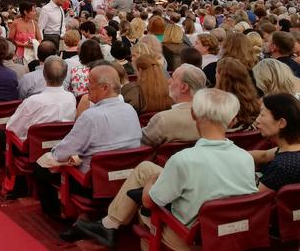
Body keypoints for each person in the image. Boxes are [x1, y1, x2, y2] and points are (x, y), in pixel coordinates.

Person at [74, 89, 257, 249]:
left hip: (189, 237)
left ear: (193, 114)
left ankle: (114, 227)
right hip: (229, 232)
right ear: (232, 121)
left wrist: (152, 183)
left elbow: (148, 201)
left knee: (144, 208)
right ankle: (109, 224)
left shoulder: (183, 160)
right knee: (145, 168)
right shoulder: (246, 158)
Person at [34, 65, 141, 215]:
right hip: (125, 179)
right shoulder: (130, 110)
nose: (86, 86)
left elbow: (61, 154)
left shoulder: (91, 116)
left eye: (90, 82)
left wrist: (58, 154)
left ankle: (54, 214)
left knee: (40, 166)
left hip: (92, 184)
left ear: (105, 88)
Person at [0, 56, 76, 194]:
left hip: (29, 146)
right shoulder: (70, 97)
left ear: (44, 74)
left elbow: (12, 128)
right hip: (57, 143)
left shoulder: (34, 101)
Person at [141, 64, 206, 147]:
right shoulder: (213, 118)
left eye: (173, 78)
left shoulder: (163, 119)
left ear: (184, 87)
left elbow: (140, 145)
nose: (168, 81)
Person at [249, 93, 300, 191]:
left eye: (262, 114)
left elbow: (255, 197)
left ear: (281, 123)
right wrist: (234, 156)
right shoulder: (291, 149)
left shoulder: (281, 166)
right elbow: (264, 155)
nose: (257, 120)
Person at [215, 57, 261, 131]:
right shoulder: (255, 105)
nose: (216, 75)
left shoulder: (213, 105)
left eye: (216, 72)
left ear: (219, 77)